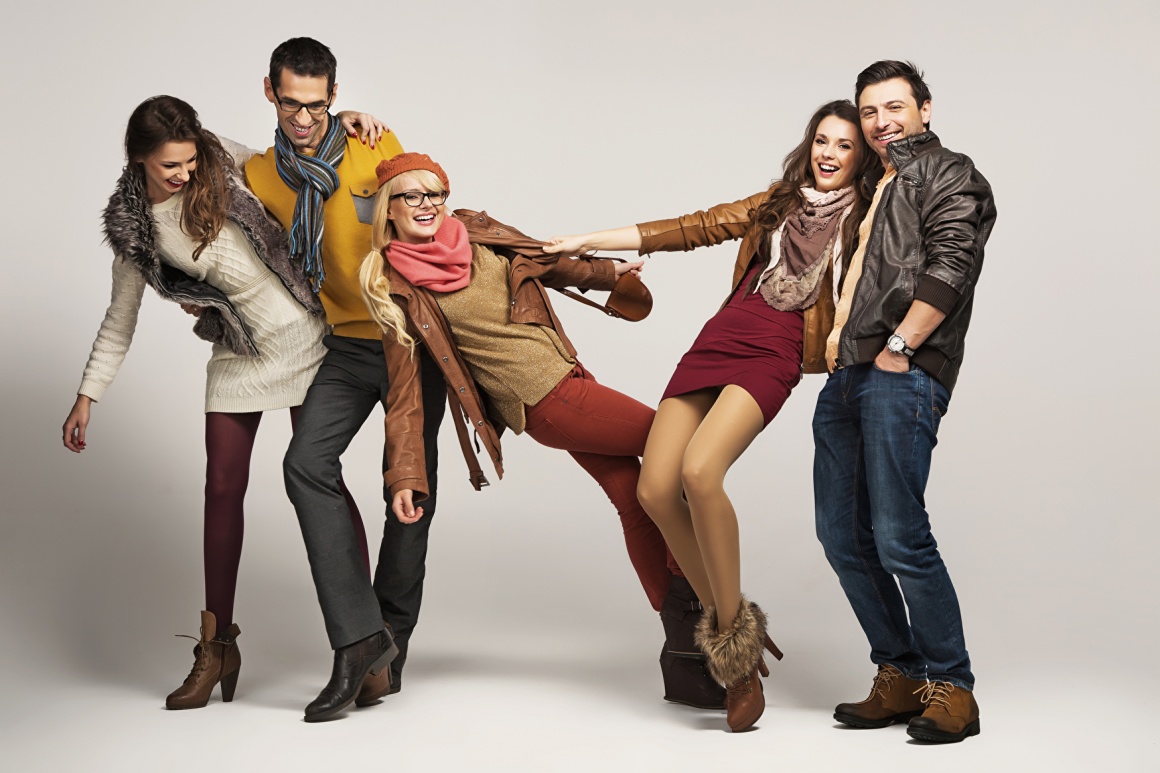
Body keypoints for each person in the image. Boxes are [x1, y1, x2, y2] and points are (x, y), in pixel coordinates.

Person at [546, 100, 876, 731]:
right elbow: (688, 227)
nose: (829, 154)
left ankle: (734, 654)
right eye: (823, 141)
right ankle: (735, 630)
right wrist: (588, 241)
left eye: (845, 146)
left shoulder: (869, 217)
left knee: (701, 473)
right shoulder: (774, 203)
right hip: (720, 337)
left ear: (862, 157)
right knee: (654, 486)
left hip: (777, 348)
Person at [359, 152, 725, 711]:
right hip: (548, 401)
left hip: (571, 376)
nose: (428, 205)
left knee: (633, 498)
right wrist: (405, 472)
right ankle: (702, 605)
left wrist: (611, 273)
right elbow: (405, 391)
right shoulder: (395, 285)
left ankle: (684, 654)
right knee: (679, 451)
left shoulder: (477, 232)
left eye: (435, 194)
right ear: (390, 208)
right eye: (413, 196)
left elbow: (544, 261)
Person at [60, 95, 383, 710]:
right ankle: (217, 649)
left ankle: (367, 640)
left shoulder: (222, 157)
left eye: (188, 161)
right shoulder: (133, 226)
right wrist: (87, 396)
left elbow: (294, 156)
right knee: (220, 491)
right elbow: (119, 317)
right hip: (239, 351)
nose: (185, 174)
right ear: (138, 161)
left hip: (304, 336)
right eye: (169, 168)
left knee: (320, 480)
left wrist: (344, 118)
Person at [241, 37, 444, 722]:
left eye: (319, 105)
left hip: (409, 340)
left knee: (409, 489)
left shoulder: (374, 147)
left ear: (335, 96)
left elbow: (427, 219)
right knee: (305, 463)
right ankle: (359, 639)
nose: (305, 119)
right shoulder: (262, 175)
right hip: (345, 346)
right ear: (270, 91)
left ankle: (394, 639)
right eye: (292, 105)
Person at [814, 61, 995, 744]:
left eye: (895, 106)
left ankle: (954, 687)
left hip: (901, 368)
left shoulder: (949, 171)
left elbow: (954, 258)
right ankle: (900, 672)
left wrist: (901, 343)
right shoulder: (876, 182)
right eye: (869, 111)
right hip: (847, 373)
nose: (881, 121)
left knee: (898, 534)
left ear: (924, 107)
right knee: (842, 536)